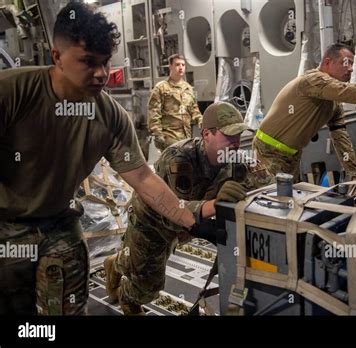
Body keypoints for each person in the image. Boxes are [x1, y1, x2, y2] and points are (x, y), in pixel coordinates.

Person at [0, 2, 209, 315]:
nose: (101, 74)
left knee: (69, 308)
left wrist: (192, 221)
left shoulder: (109, 115)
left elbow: (142, 177)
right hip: (6, 224)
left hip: (59, 221)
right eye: (88, 62)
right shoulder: (13, 94)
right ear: (57, 57)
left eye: (105, 62)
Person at [104, 102, 272, 315]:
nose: (236, 143)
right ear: (207, 135)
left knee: (142, 263)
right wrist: (216, 205)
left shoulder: (235, 160)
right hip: (152, 223)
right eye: (228, 136)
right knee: (147, 288)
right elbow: (175, 210)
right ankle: (127, 298)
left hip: (188, 228)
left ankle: (119, 262)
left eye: (238, 136)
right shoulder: (179, 158)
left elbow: (266, 181)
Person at [252, 43, 356, 182]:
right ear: (327, 62)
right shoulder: (312, 80)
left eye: (352, 64)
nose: (350, 68)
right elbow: (347, 91)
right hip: (269, 152)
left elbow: (341, 139)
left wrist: (354, 178)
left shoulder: (334, 104)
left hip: (292, 156)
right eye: (345, 62)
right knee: (270, 201)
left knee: (288, 199)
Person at [148, 54, 203, 151]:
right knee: (174, 164)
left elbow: (194, 110)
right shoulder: (161, 88)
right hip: (169, 136)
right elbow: (154, 112)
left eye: (183, 65)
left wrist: (201, 121)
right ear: (170, 66)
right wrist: (157, 134)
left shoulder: (188, 88)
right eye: (177, 65)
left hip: (186, 137)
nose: (181, 67)